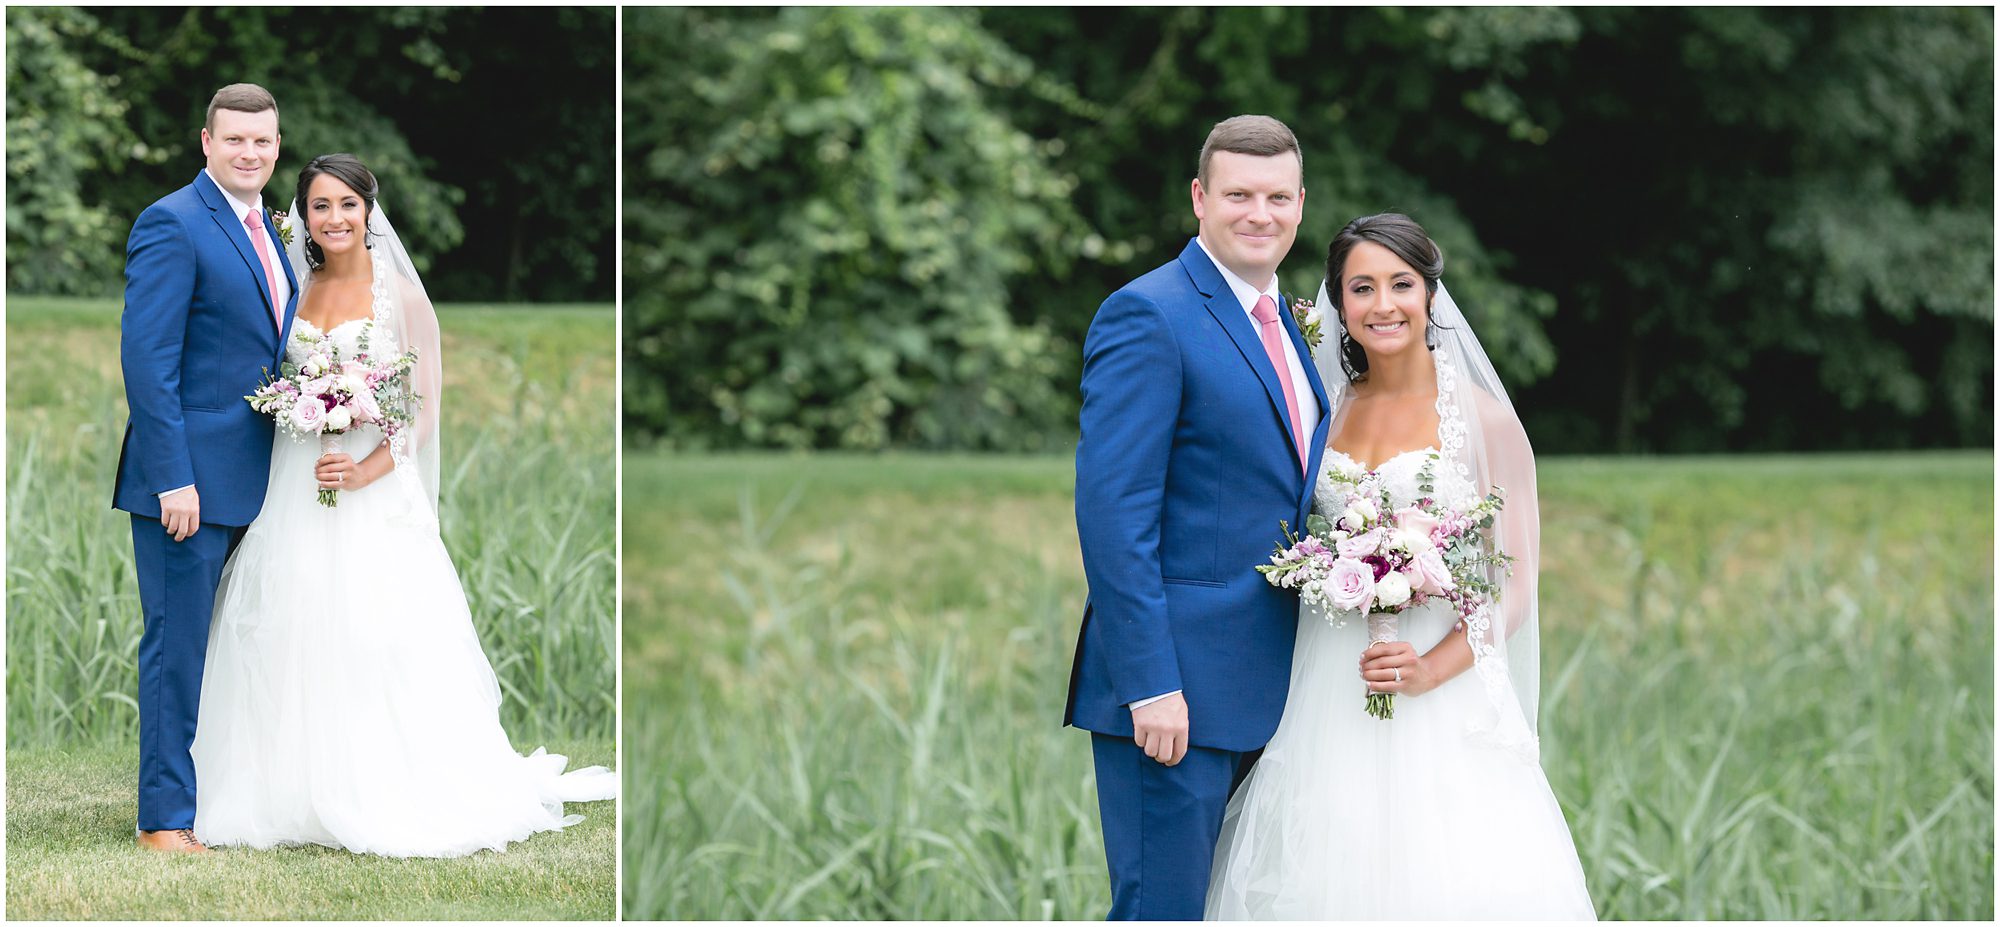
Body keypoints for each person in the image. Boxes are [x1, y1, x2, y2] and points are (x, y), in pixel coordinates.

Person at [186, 153, 615, 857]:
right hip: (297, 477)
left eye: (347, 205)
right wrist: (303, 410)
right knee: (287, 617)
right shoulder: (292, 285)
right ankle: (281, 785)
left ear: (368, 211)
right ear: (305, 218)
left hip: (371, 485)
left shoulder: (402, 299)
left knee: (371, 627)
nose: (335, 220)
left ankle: (382, 782)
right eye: (320, 207)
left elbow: (420, 414)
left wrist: (362, 469)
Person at [1205, 213, 1595, 919]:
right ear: (1340, 305)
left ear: (1430, 296)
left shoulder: (1486, 421)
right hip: (1328, 682)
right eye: (1362, 287)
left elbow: (1514, 586)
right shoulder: (1322, 412)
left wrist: (1430, 667)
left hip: (1440, 692)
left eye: (1401, 284)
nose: (1383, 304)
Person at [1067, 115, 1332, 920]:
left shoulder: (1289, 323)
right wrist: (1151, 683)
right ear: (1199, 198)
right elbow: (1114, 514)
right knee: (1164, 910)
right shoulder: (1148, 313)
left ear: (1300, 203)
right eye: (1239, 195)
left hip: (1277, 689)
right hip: (1175, 696)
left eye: (1278, 197)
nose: (1261, 213)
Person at [113, 83, 299, 853]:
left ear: (277, 145)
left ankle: (224, 797)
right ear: (206, 142)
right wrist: (171, 478)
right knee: (177, 645)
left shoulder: (273, 232)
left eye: (262, 141)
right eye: (235, 141)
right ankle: (163, 819)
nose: (249, 153)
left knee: (240, 646)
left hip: (261, 479)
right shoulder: (173, 221)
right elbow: (147, 361)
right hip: (186, 484)